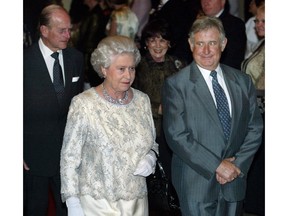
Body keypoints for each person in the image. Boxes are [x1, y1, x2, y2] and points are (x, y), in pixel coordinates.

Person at [162, 16, 263, 216]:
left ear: (223, 44)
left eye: (212, 43)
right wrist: (218, 166)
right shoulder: (176, 85)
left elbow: (255, 128)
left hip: (235, 181)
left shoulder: (242, 82)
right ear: (191, 45)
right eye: (200, 43)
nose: (206, 51)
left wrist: (237, 166)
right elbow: (177, 135)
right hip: (196, 184)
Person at [60, 35, 158, 216]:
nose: (128, 76)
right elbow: (69, 157)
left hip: (138, 203)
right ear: (104, 69)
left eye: (132, 68)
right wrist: (72, 203)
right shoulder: (84, 104)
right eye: (121, 69)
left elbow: (152, 143)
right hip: (97, 205)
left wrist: (151, 157)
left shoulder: (142, 101)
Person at [24, 4, 84, 215]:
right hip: (32, 156)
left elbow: (78, 105)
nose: (68, 35)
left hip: (67, 154)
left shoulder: (76, 59)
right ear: (44, 30)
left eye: (70, 29)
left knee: (67, 209)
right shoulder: (21, 62)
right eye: (62, 30)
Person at [241, 5, 265, 215]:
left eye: (263, 21)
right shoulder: (264, 43)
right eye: (257, 20)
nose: (258, 25)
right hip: (257, 116)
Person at [74, 0, 111, 88]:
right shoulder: (92, 12)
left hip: (89, 57)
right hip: (89, 55)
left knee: (89, 84)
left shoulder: (95, 15)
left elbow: (90, 41)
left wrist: (86, 64)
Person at [201, 0, 247, 70]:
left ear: (222, 1)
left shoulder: (235, 24)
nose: (206, 2)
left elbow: (232, 59)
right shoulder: (197, 24)